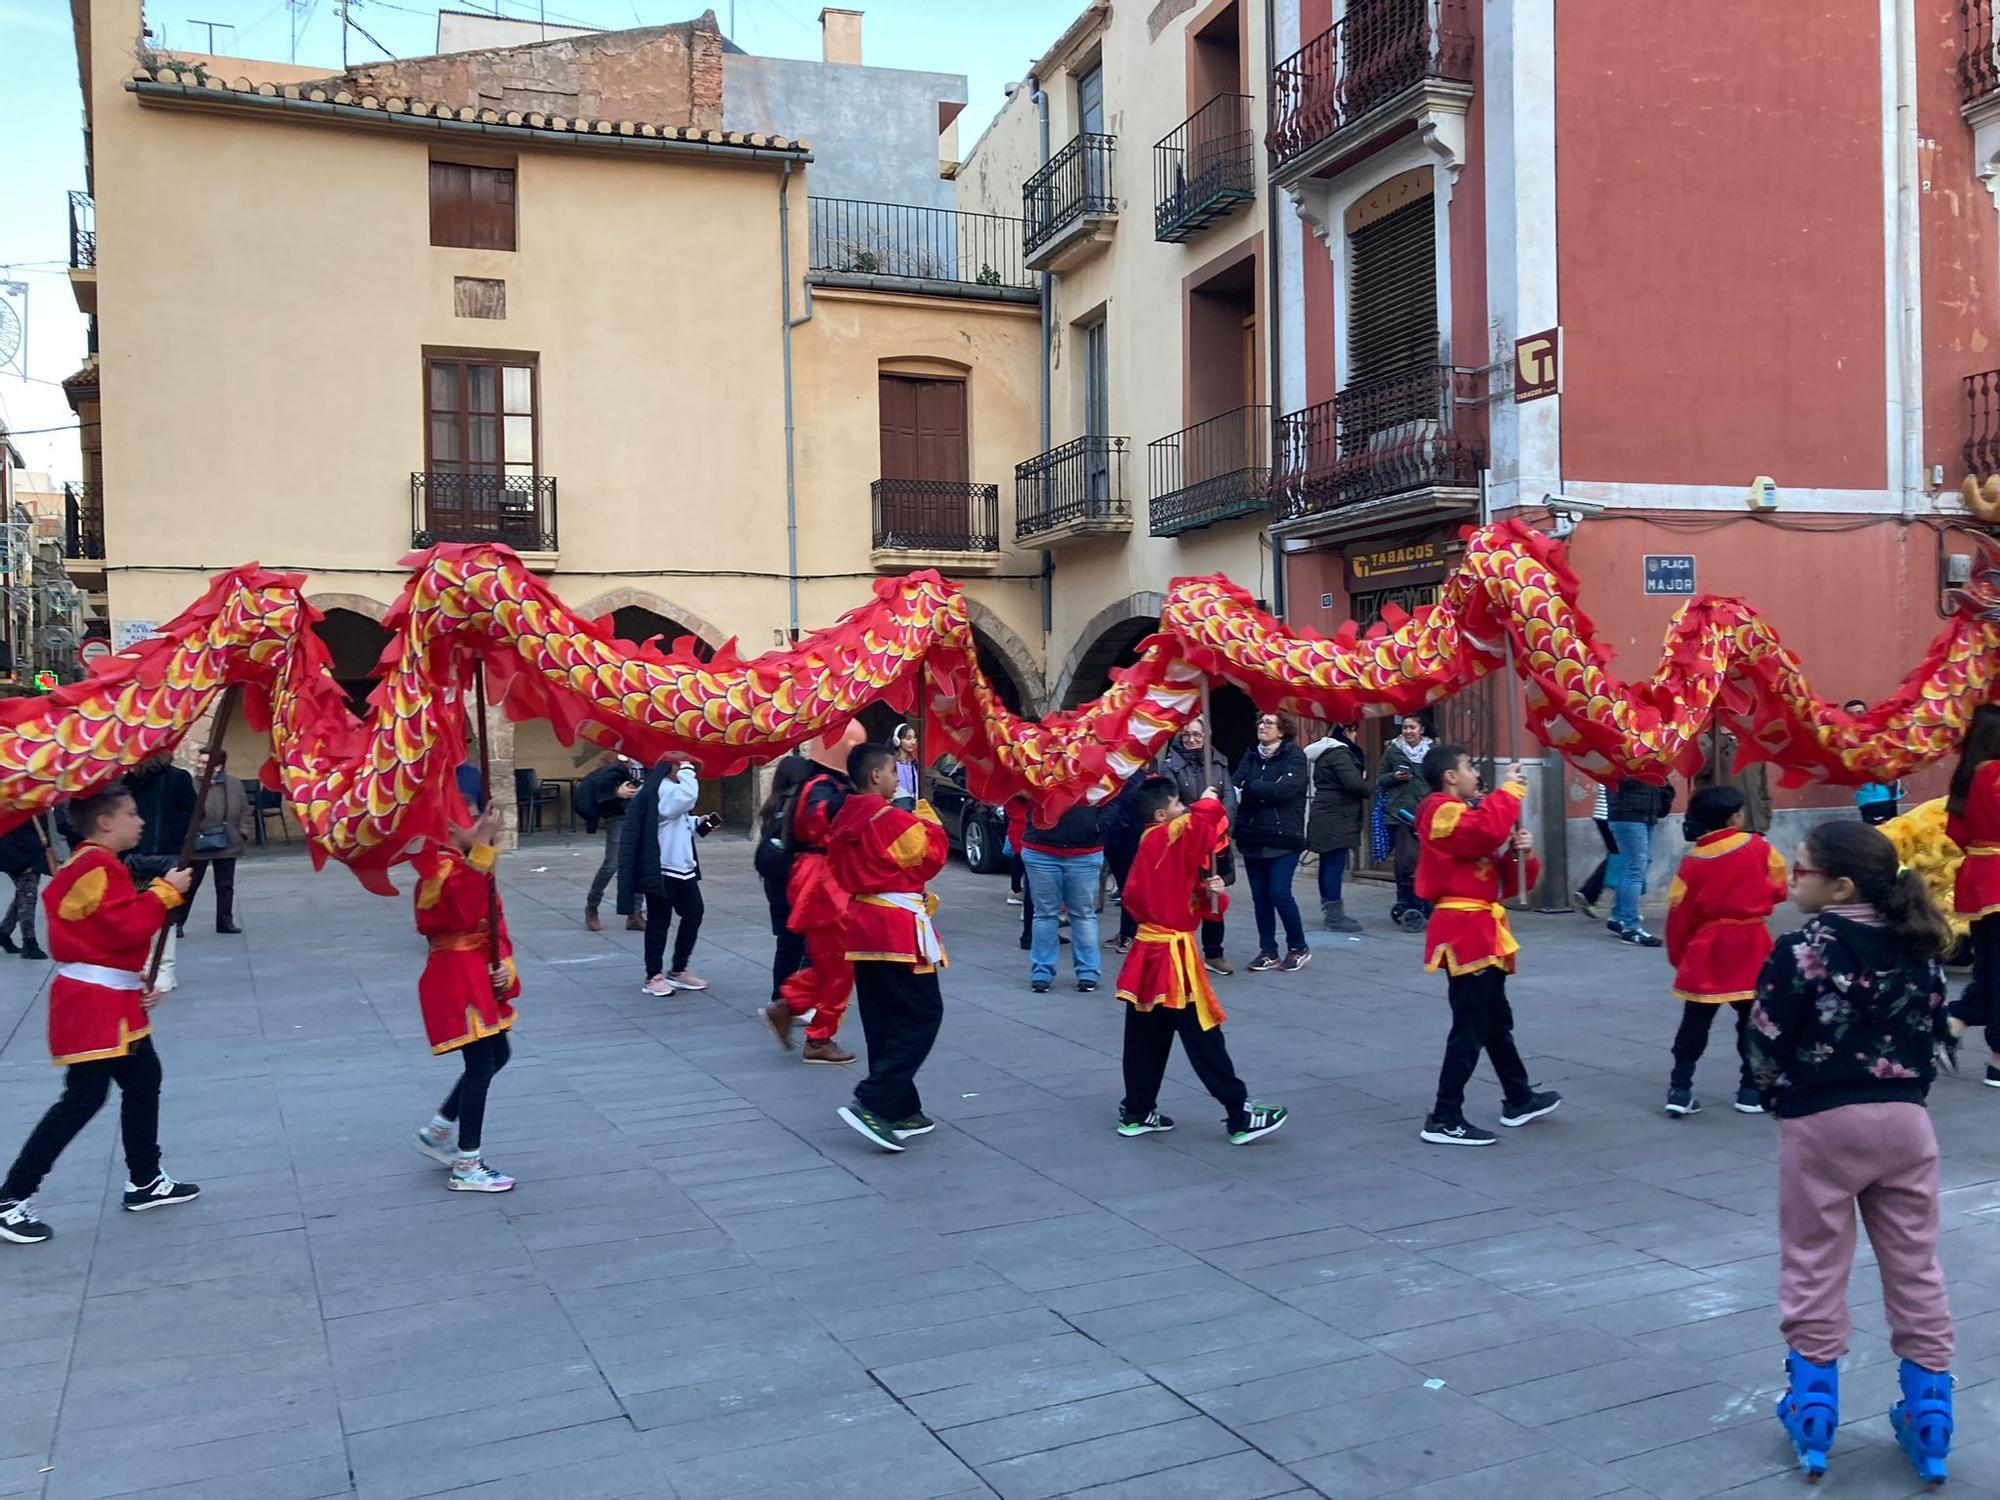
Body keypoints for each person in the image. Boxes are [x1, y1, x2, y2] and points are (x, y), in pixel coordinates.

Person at [1747, 820, 1956, 1486]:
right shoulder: (1918, 946)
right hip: (1906, 1122)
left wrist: (1776, 1096)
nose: (1790, 875)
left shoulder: (1802, 949)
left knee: (1814, 1263)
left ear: (1838, 884)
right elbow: (1931, 1027)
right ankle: (1930, 1418)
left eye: (1801, 868)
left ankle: (1812, 1412)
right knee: (1915, 1268)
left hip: (1821, 1122)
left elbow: (1764, 1037)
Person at [0, 785, 198, 1245]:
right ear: (105, 822)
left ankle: (145, 1178)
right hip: (93, 1002)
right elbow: (125, 924)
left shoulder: (93, 864)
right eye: (132, 813)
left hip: (108, 995)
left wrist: (137, 979)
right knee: (84, 1097)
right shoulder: (95, 864)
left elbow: (107, 934)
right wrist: (166, 893)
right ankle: (11, 1197)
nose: (141, 820)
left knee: (143, 1077)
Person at [1112, 778, 1288, 1146]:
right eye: (1178, 804)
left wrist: (1210, 894)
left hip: (1150, 952)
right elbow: (1201, 823)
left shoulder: (1157, 845)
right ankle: (1239, 1114)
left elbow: (1187, 898)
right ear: (1161, 814)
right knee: (1204, 1035)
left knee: (1146, 1037)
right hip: (1170, 957)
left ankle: (1137, 1110)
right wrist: (1208, 800)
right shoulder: (1162, 837)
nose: (1184, 809)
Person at [1415, 746, 1562, 1146]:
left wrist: (1522, 852)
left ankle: (1519, 1097)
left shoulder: (1466, 812)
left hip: (1483, 925)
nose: (1475, 775)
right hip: (1465, 930)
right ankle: (1444, 1115)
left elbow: (1507, 881)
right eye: (1467, 768)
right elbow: (1482, 833)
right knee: (1471, 1025)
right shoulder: (1438, 809)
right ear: (1448, 776)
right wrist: (1509, 794)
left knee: (1495, 1020)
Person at [829, 742, 950, 1152]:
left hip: (864, 922)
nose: (898, 778)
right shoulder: (885, 817)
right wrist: (927, 820)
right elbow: (929, 856)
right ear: (875, 775)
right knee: (922, 1013)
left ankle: (901, 1107)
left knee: (882, 1016)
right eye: (894, 771)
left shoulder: (846, 814)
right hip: (895, 925)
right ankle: (875, 1100)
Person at [409, 803, 520, 1193]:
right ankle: (467, 1162)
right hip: (455, 974)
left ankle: (438, 1131)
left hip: (477, 969)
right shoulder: (439, 868)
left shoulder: (466, 863)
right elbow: (460, 907)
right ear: (453, 826)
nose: (481, 823)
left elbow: (494, 920)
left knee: (498, 1055)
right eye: (474, 818)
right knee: (480, 1065)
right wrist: (485, 844)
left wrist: (504, 963)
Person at [1662, 786, 1787, 1117]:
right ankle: (1751, 1089)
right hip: (1751, 942)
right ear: (1734, 816)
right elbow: (1780, 886)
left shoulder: (1692, 862)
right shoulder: (1759, 847)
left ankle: (1680, 1087)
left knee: (1695, 1021)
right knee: (1752, 1021)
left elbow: (1678, 913)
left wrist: (1679, 956)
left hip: (1707, 946)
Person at [762, 721, 866, 1065]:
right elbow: (820, 818)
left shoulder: (820, 783)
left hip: (821, 879)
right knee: (839, 964)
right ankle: (819, 1039)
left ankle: (787, 1004)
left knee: (830, 961)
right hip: (824, 882)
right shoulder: (824, 787)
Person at [617, 757, 715, 996]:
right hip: (662, 867)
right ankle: (653, 976)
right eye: (681, 764)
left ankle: (678, 970)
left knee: (694, 913)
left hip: (682, 868)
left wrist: (697, 823)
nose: (685, 768)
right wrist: (688, 770)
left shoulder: (670, 790)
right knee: (659, 921)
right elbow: (684, 799)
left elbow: (674, 818)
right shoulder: (662, 788)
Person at [1945, 702, 2000, 1080]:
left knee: (1992, 966)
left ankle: (1953, 1020)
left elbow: (1956, 833)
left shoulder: (1968, 775)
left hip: (1978, 876)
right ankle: (1997, 1060)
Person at [1233, 711, 1311, 972]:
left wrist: (1252, 787)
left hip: (1283, 836)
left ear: (1282, 730)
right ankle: (1268, 950)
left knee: (1279, 892)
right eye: (1260, 722)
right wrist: (1260, 788)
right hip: (1253, 834)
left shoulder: (1295, 756)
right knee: (1260, 897)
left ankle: (1298, 946)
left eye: (1269, 723)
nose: (1262, 726)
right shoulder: (1251, 754)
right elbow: (1235, 785)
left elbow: (1284, 791)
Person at [1161, 721, 1237, 975]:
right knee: (1183, 895)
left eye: (1197, 734)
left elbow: (1228, 797)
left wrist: (1219, 822)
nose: (1192, 739)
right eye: (1187, 735)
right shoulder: (1170, 765)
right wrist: (1198, 822)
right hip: (1187, 838)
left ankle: (1214, 952)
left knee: (1214, 893)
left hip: (1216, 838)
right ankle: (1181, 947)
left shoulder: (1219, 762)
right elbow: (1172, 803)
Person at [123, 752, 195, 993]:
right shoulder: (133, 781)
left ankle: (155, 968)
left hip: (143, 855)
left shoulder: (132, 781)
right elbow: (194, 814)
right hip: (158, 855)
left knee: (154, 912)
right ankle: (160, 971)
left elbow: (193, 814)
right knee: (164, 914)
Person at [1023, 796, 1103, 993]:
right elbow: (1018, 790)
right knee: (1044, 913)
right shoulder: (1039, 764)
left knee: (1083, 914)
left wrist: (1098, 826)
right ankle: (1041, 971)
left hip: (1085, 850)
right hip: (1040, 848)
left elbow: (1114, 793)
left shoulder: (1095, 766)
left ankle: (1088, 971)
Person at [754, 756, 815, 1010]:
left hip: (775, 883)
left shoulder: (773, 804)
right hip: (794, 884)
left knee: (787, 943)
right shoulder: (796, 806)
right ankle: (794, 999)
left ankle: (780, 997)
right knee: (805, 944)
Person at [180, 749, 252, 936]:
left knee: (225, 886)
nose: (200, 765)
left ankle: (225, 922)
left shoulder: (234, 785)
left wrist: (242, 832)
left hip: (227, 842)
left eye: (205, 763)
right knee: (190, 885)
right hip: (197, 843)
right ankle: (178, 923)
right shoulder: (188, 784)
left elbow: (245, 810)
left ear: (218, 766)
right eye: (200, 761)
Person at [1305, 722, 1367, 933]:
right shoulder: (1340, 752)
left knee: (1327, 863)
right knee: (1333, 865)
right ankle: (1335, 916)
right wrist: (1369, 785)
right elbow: (1353, 784)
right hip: (1336, 816)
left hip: (1327, 814)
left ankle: (1329, 910)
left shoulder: (1326, 752)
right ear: (1348, 732)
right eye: (1355, 731)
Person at [575, 751, 642, 933]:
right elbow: (596, 781)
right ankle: (592, 907)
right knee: (611, 864)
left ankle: (635, 914)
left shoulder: (651, 758)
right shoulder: (613, 755)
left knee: (639, 864)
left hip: (643, 814)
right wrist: (615, 791)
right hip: (620, 815)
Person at [1377, 715, 1433, 927]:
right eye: (1405, 727)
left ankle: (1424, 898)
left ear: (1421, 730)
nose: (1408, 731)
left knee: (1423, 861)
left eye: (1412, 727)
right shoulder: (1393, 750)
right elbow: (1380, 779)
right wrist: (1394, 777)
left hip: (1425, 814)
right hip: (1398, 814)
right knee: (1404, 861)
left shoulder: (1431, 753)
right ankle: (1405, 899)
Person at [1606, 776, 1674, 947]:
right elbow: (1622, 780)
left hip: (1643, 813)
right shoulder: (1621, 754)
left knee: (1633, 867)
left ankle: (1618, 917)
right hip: (1629, 814)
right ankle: (1631, 928)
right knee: (1635, 870)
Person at [1100, 769, 1150, 954]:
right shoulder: (1134, 774)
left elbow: (1122, 815)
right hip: (1127, 840)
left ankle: (1130, 934)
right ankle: (1127, 932)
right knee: (1127, 890)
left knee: (1129, 890)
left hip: (1125, 841)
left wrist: (1106, 837)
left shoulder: (1126, 777)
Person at [1695, 725, 1773, 835]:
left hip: (1756, 822)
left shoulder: (1753, 740)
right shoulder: (1707, 739)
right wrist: (1719, 743)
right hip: (1725, 825)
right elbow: (1699, 771)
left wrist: (1765, 811)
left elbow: (1762, 783)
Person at [0, 812, 53, 960]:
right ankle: (29, 941)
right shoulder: (14, 806)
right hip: (20, 857)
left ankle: (5, 933)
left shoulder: (28, 807)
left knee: (24, 896)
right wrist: (22, 861)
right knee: (28, 897)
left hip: (28, 855)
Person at [1845, 700, 1904, 825]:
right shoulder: (1846, 738)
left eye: (1860, 712)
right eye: (1852, 714)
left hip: (1891, 795)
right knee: (1879, 834)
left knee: (1892, 833)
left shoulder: (1877, 732)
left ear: (1866, 713)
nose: (1857, 716)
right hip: (1871, 797)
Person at [1571, 782, 1618, 919]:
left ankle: (1590, 894)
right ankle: (1623, 909)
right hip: (1613, 815)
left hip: (1602, 814)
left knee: (1616, 856)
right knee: (1622, 858)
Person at [890, 724, 920, 810]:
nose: (913, 742)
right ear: (897, 740)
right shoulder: (891, 764)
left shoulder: (914, 764)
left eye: (914, 738)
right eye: (908, 738)